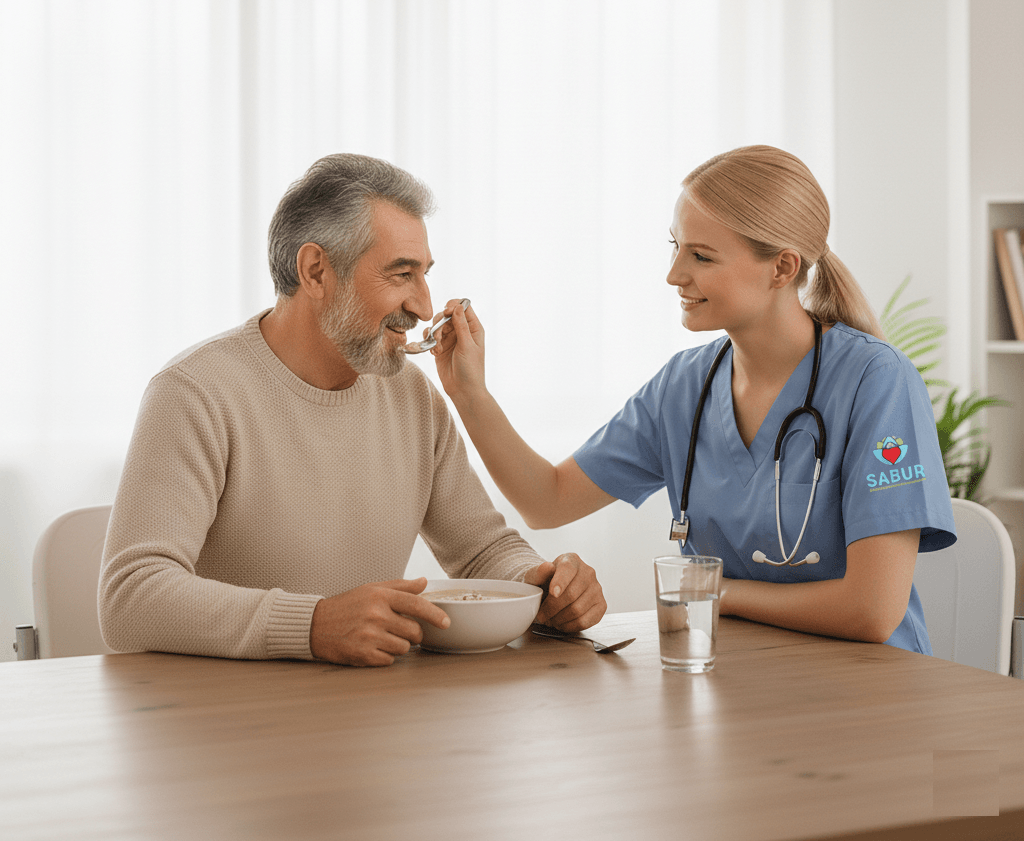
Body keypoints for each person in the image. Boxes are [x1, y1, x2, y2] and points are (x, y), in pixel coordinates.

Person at [428, 145, 956, 654]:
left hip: (871, 691)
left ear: (782, 268)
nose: (675, 274)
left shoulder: (876, 380)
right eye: (675, 246)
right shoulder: (686, 386)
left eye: (701, 256)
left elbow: (873, 610)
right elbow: (546, 500)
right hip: (735, 679)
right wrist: (469, 391)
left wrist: (714, 593)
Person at [99, 154, 606, 667]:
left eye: (425, 275)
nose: (425, 307)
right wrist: (313, 625)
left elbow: (480, 551)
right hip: (226, 724)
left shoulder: (413, 397)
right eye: (401, 274)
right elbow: (132, 597)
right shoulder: (194, 393)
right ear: (316, 271)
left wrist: (539, 582)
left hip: (367, 714)